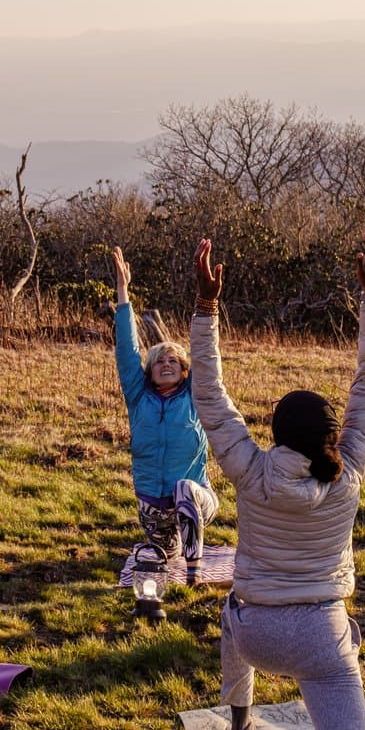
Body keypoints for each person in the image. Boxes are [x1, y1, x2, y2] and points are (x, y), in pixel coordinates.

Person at [195, 225, 365, 730]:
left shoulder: (253, 471)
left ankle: (240, 720)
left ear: (275, 432)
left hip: (257, 630)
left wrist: (206, 307)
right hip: (323, 635)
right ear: (332, 434)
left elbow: (208, 393)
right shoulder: (350, 471)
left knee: (229, 611)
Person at [111, 246, 218, 623]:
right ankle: (171, 562)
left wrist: (207, 303)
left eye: (174, 360)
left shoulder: (195, 396)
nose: (167, 364)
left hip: (196, 501)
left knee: (184, 490)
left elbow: (206, 355)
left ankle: (195, 569)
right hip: (154, 510)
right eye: (160, 361)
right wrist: (123, 294)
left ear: (185, 370)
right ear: (150, 371)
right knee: (152, 555)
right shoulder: (138, 397)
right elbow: (126, 350)